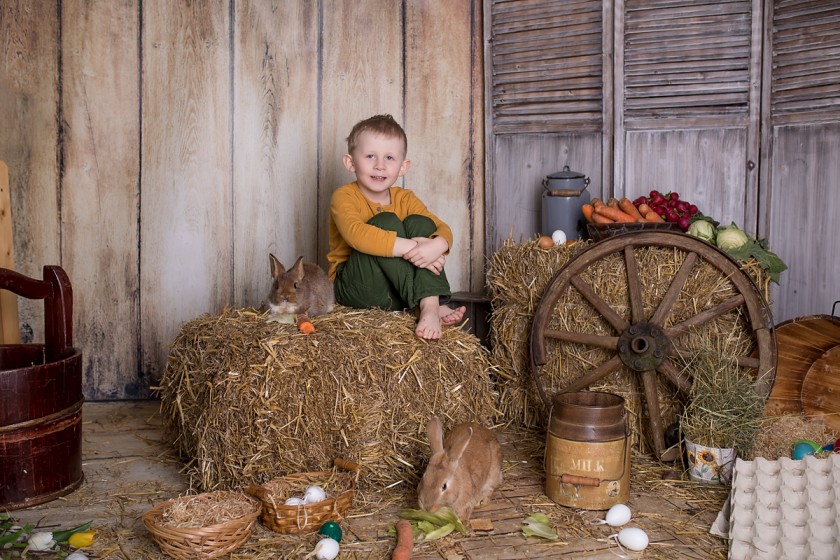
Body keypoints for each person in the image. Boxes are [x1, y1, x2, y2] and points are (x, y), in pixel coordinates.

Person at [328, 114, 466, 340]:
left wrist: (436, 245)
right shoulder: (344, 197)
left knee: (422, 223)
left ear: (403, 167)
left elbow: (442, 228)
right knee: (386, 222)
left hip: (395, 293)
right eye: (370, 156)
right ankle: (429, 302)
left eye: (390, 157)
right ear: (350, 162)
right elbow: (357, 235)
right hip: (356, 288)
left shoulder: (405, 198)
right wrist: (415, 246)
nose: (380, 165)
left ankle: (429, 305)